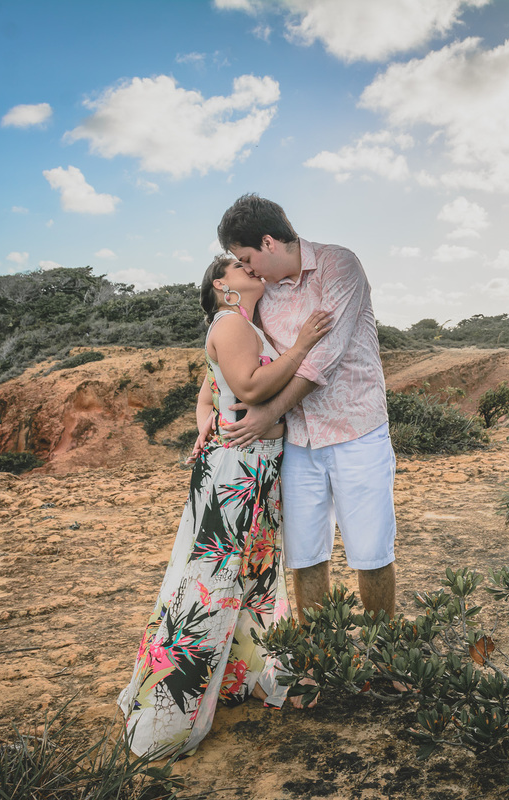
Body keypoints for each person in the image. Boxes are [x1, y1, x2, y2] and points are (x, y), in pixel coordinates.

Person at [117, 254, 332, 759]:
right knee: (216, 579)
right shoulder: (233, 323)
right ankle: (171, 713)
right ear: (222, 284)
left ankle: (244, 675)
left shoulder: (242, 326)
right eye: (238, 265)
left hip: (245, 468)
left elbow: (209, 393)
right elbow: (251, 388)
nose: (250, 266)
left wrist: (203, 421)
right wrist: (303, 345)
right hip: (238, 472)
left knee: (245, 575)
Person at [216, 194, 399, 631]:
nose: (248, 269)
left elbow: (324, 358)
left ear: (268, 242)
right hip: (298, 440)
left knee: (371, 553)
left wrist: (267, 414)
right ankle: (320, 662)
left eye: (247, 258)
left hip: (357, 431)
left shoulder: (339, 265)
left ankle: (385, 654)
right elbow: (236, 348)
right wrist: (209, 405)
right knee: (305, 556)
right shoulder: (260, 293)